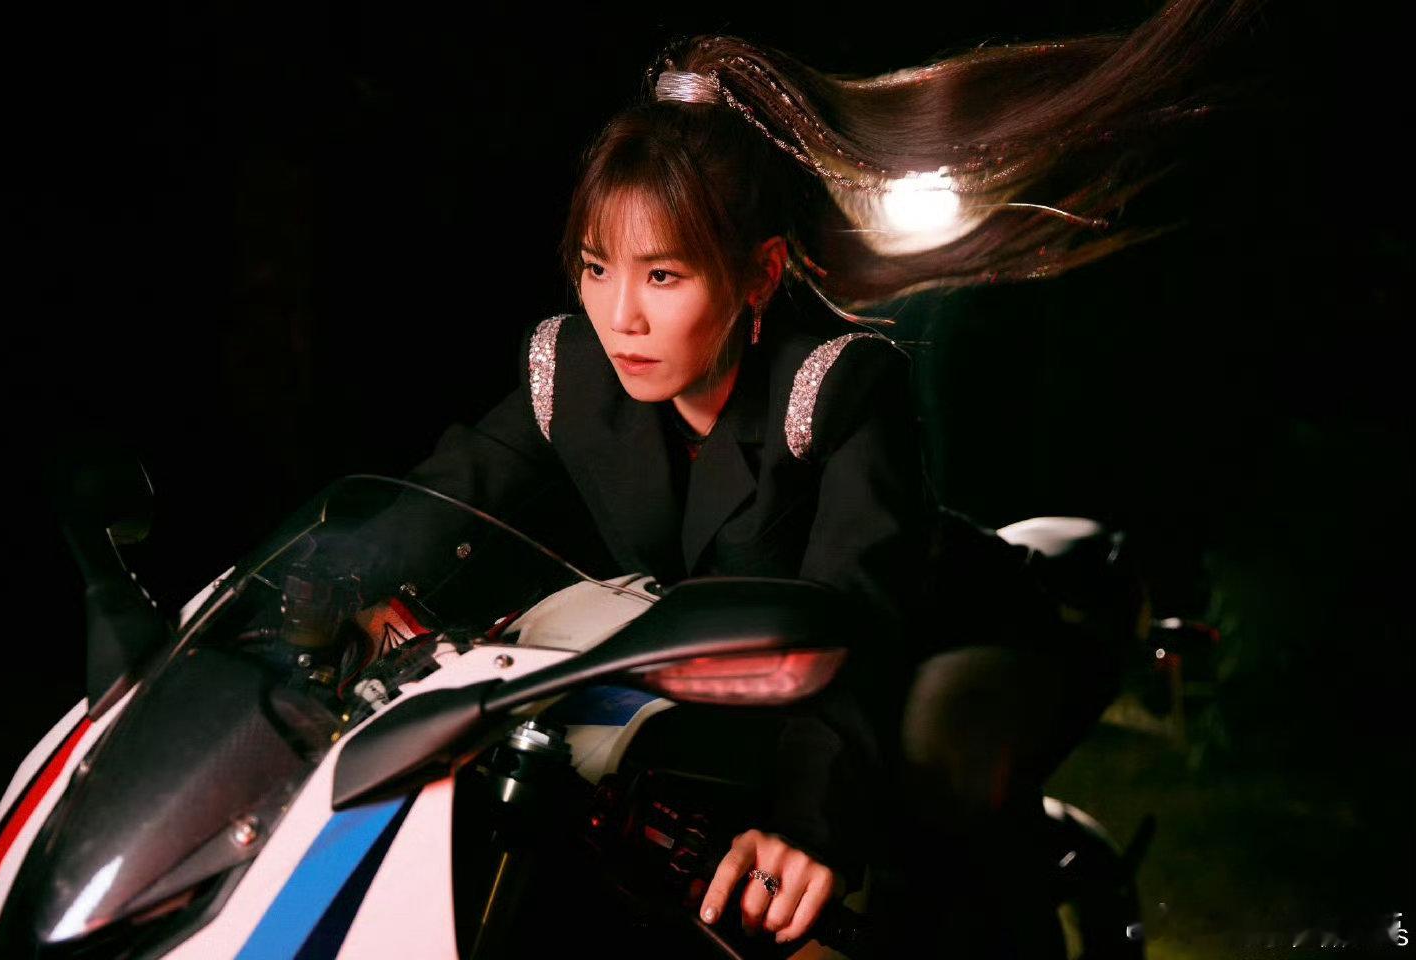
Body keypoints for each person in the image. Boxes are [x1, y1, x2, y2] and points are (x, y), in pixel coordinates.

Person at [368, 3, 1257, 953]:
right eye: (595, 267)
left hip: (945, 635)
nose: (619, 314)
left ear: (758, 275)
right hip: (779, 659)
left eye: (663, 276)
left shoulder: (837, 388)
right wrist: (314, 591)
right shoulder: (572, 369)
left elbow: (854, 612)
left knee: (933, 784)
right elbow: (442, 497)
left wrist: (806, 827)